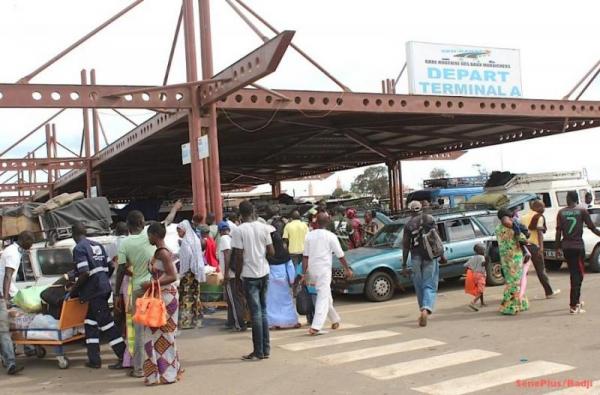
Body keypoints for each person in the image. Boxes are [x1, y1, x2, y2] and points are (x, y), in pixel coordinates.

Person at [70, 222, 125, 369]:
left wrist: (73, 291)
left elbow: (85, 272)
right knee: (90, 323)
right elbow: (111, 266)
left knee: (107, 324)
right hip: (102, 289)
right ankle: (94, 359)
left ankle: (124, 356)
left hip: (94, 292)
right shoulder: (97, 245)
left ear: (73, 234)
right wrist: (103, 279)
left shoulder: (79, 248)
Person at [231, 201, 274, 361]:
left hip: (249, 275)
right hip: (264, 272)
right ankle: (265, 349)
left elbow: (239, 255)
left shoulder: (239, 230)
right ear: (253, 211)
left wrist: (237, 277)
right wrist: (261, 257)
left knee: (255, 313)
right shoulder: (263, 227)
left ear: (240, 214)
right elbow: (271, 251)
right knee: (263, 311)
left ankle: (258, 351)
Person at [115, 210, 155, 378]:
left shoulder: (124, 243)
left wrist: (116, 293)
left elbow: (121, 269)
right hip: (154, 288)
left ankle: (138, 369)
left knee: (139, 331)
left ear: (129, 226)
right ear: (142, 222)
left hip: (138, 289)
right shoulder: (151, 237)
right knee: (156, 327)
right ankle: (158, 364)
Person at [143, 222, 182, 386]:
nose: (148, 238)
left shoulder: (162, 253)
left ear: (154, 235)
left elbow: (173, 276)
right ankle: (167, 372)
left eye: (149, 235)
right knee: (163, 335)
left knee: (161, 335)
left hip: (165, 297)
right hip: (164, 296)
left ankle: (166, 374)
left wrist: (151, 285)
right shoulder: (163, 251)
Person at [302, 213, 352, 335]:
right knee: (323, 297)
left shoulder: (309, 236)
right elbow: (340, 255)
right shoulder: (331, 236)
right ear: (328, 222)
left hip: (312, 270)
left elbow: (305, 257)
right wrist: (347, 269)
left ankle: (335, 320)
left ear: (316, 222)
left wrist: (304, 273)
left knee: (326, 295)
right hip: (323, 271)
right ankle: (316, 327)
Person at [401, 201, 447, 327]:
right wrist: (442, 255)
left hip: (415, 257)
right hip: (430, 257)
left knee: (419, 285)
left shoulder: (408, 225)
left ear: (409, 210)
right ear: (421, 208)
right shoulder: (430, 219)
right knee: (430, 284)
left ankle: (422, 309)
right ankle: (426, 309)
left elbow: (405, 246)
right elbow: (436, 239)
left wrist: (404, 264)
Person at [556, 191, 600, 314]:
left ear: (568, 199)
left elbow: (558, 232)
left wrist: (557, 248)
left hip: (566, 247)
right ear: (577, 199)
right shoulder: (582, 211)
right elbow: (592, 227)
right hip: (577, 247)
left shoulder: (561, 212)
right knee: (578, 275)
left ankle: (576, 301)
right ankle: (574, 305)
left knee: (574, 273)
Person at [0, 232, 32, 375]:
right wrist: (6, 299)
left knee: (20, 318)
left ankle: (27, 348)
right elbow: (7, 276)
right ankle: (11, 363)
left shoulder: (14, 251)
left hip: (9, 292)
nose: (31, 245)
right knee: (4, 330)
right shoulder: (12, 253)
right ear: (24, 240)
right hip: (3, 294)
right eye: (30, 242)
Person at [521, 200, 559, 298]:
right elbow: (539, 233)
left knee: (524, 272)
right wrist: (541, 248)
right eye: (542, 207)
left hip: (524, 247)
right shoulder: (539, 217)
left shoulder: (523, 217)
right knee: (541, 270)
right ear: (537, 207)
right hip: (534, 246)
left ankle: (520, 293)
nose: (544, 209)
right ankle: (549, 292)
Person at [266, 219, 299, 330]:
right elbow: (290, 267)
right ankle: (290, 321)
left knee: (271, 303)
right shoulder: (284, 253)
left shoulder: (267, 253)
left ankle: (273, 322)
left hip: (271, 280)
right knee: (286, 302)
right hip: (283, 280)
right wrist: (292, 281)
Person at [495, 208, 528, 315]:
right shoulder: (512, 228)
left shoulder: (498, 228)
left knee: (512, 281)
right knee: (514, 282)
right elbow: (524, 240)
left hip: (505, 259)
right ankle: (510, 307)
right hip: (514, 258)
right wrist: (520, 231)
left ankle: (521, 303)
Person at [176, 220, 205, 329]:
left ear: (184, 229)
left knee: (185, 297)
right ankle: (197, 321)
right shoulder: (195, 239)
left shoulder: (185, 242)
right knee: (195, 296)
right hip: (196, 272)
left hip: (188, 273)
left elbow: (186, 258)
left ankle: (186, 322)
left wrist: (182, 273)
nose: (178, 233)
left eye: (179, 231)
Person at [112, 221, 133, 368]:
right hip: (134, 286)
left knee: (122, 324)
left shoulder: (114, 244)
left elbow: (119, 269)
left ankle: (124, 356)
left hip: (122, 288)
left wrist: (116, 293)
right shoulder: (134, 242)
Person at [219, 221, 247, 332]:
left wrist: (226, 274)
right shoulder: (231, 238)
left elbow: (227, 255)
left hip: (230, 275)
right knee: (232, 300)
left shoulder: (224, 239)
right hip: (236, 273)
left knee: (234, 300)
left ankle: (239, 324)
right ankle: (230, 321)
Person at [464, 244, 487, 311]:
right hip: (481, 275)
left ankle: (482, 302)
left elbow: (466, 265)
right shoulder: (482, 257)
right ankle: (473, 303)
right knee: (480, 290)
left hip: (474, 275)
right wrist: (487, 260)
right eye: (483, 249)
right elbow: (483, 264)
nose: (484, 251)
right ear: (479, 251)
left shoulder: (472, 258)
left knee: (480, 289)